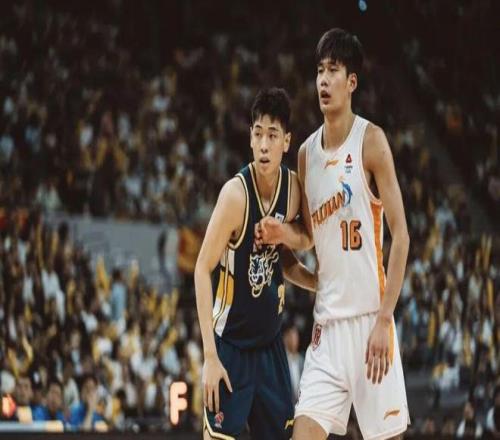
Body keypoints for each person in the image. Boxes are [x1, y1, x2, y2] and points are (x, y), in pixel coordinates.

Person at [256, 29, 410, 439]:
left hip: (370, 321)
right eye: (320, 71)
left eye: (333, 71)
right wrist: (281, 234)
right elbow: (309, 237)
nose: (323, 80)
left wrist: (385, 319)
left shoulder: (371, 142)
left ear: (351, 81)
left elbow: (401, 236)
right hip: (327, 330)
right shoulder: (306, 154)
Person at [195, 87, 316, 440]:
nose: (264, 145)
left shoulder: (293, 190)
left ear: (286, 141)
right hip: (230, 348)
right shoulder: (235, 196)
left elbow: (295, 251)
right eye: (258, 134)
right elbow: (201, 269)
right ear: (250, 138)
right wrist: (209, 357)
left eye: (273, 135)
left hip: (270, 348)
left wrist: (317, 283)